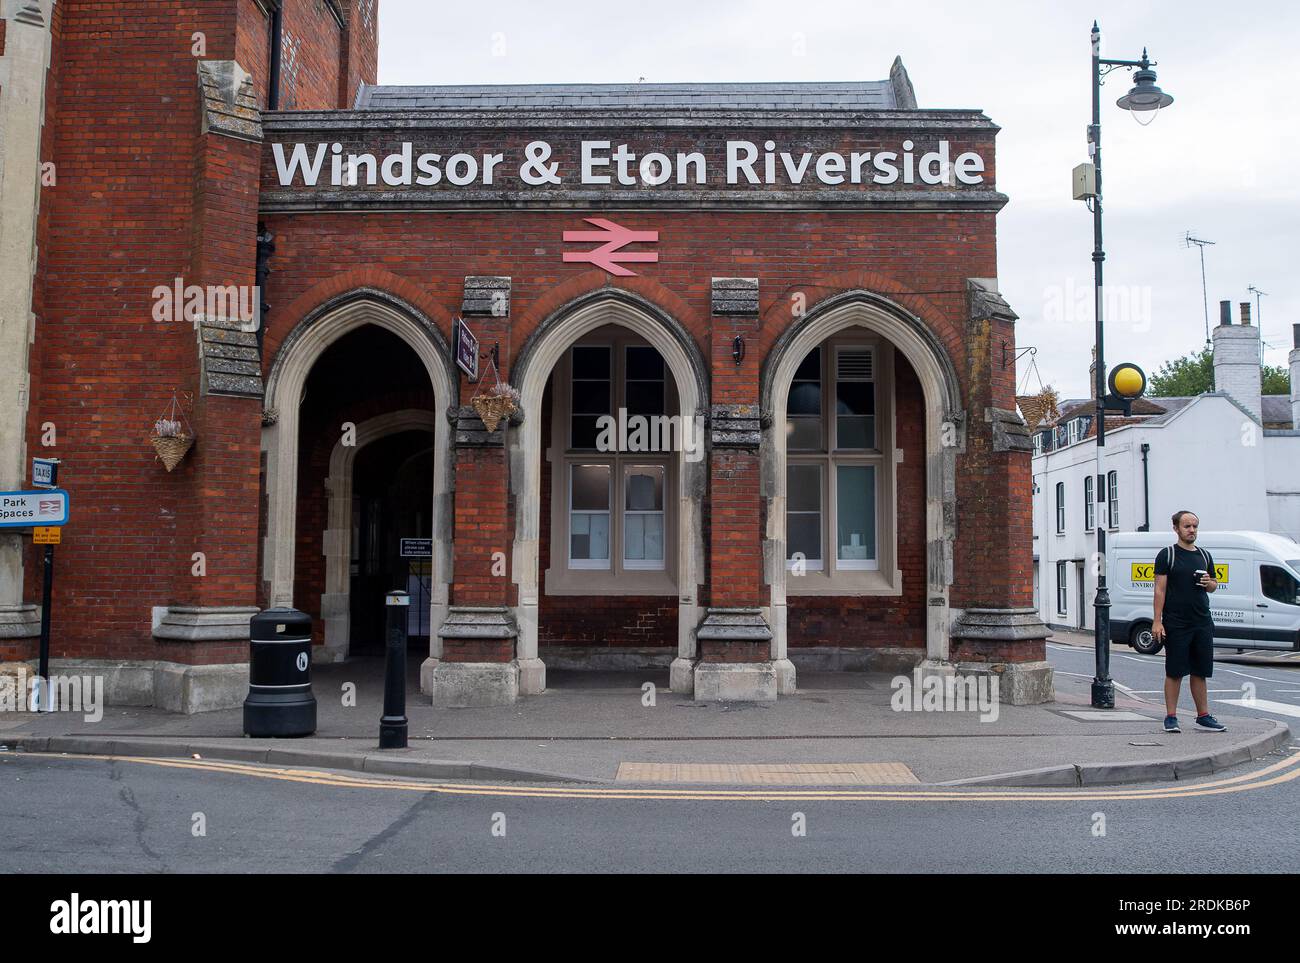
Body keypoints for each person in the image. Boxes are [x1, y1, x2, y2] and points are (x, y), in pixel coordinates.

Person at [1152, 510, 1227, 732]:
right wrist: (1157, 621)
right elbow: (1159, 589)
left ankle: (1203, 716)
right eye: (1187, 526)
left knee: (1200, 671)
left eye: (1195, 526)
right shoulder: (1167, 555)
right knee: (1175, 671)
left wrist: (1209, 582)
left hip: (1202, 621)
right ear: (1176, 528)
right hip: (1176, 622)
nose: (1192, 530)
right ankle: (1171, 717)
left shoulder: (1204, 555)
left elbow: (1214, 585)